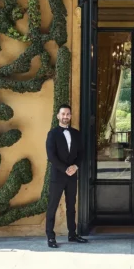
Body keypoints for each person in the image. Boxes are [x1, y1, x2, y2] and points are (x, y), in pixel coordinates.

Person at [45, 104, 88, 248]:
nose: (65, 116)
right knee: (52, 206)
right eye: (63, 114)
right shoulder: (52, 134)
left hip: (72, 175)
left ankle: (72, 234)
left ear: (70, 116)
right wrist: (66, 169)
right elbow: (51, 156)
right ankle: (50, 237)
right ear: (58, 116)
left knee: (71, 206)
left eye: (68, 114)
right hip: (58, 175)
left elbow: (81, 153)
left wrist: (75, 166)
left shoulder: (76, 133)